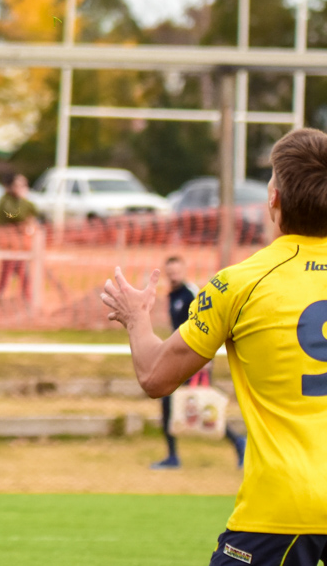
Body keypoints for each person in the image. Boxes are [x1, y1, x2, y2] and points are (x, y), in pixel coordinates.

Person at [101, 128, 327, 566]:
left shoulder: (238, 283)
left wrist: (135, 318)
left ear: (274, 198)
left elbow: (154, 376)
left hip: (285, 505)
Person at [150, 254, 246, 470]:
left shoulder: (191, 294)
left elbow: (204, 326)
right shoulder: (172, 295)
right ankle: (173, 456)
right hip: (179, 359)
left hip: (194, 361)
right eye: (170, 271)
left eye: (177, 270)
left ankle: (239, 442)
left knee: (204, 407)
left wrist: (205, 361)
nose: (173, 275)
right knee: (168, 403)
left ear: (184, 271)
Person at [0, 175, 39, 308]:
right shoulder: (6, 201)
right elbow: (16, 214)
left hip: (20, 247)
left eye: (23, 185)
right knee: (6, 277)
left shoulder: (21, 201)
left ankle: (27, 303)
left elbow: (34, 210)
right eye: (18, 185)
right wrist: (23, 199)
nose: (21, 189)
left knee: (24, 276)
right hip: (9, 247)